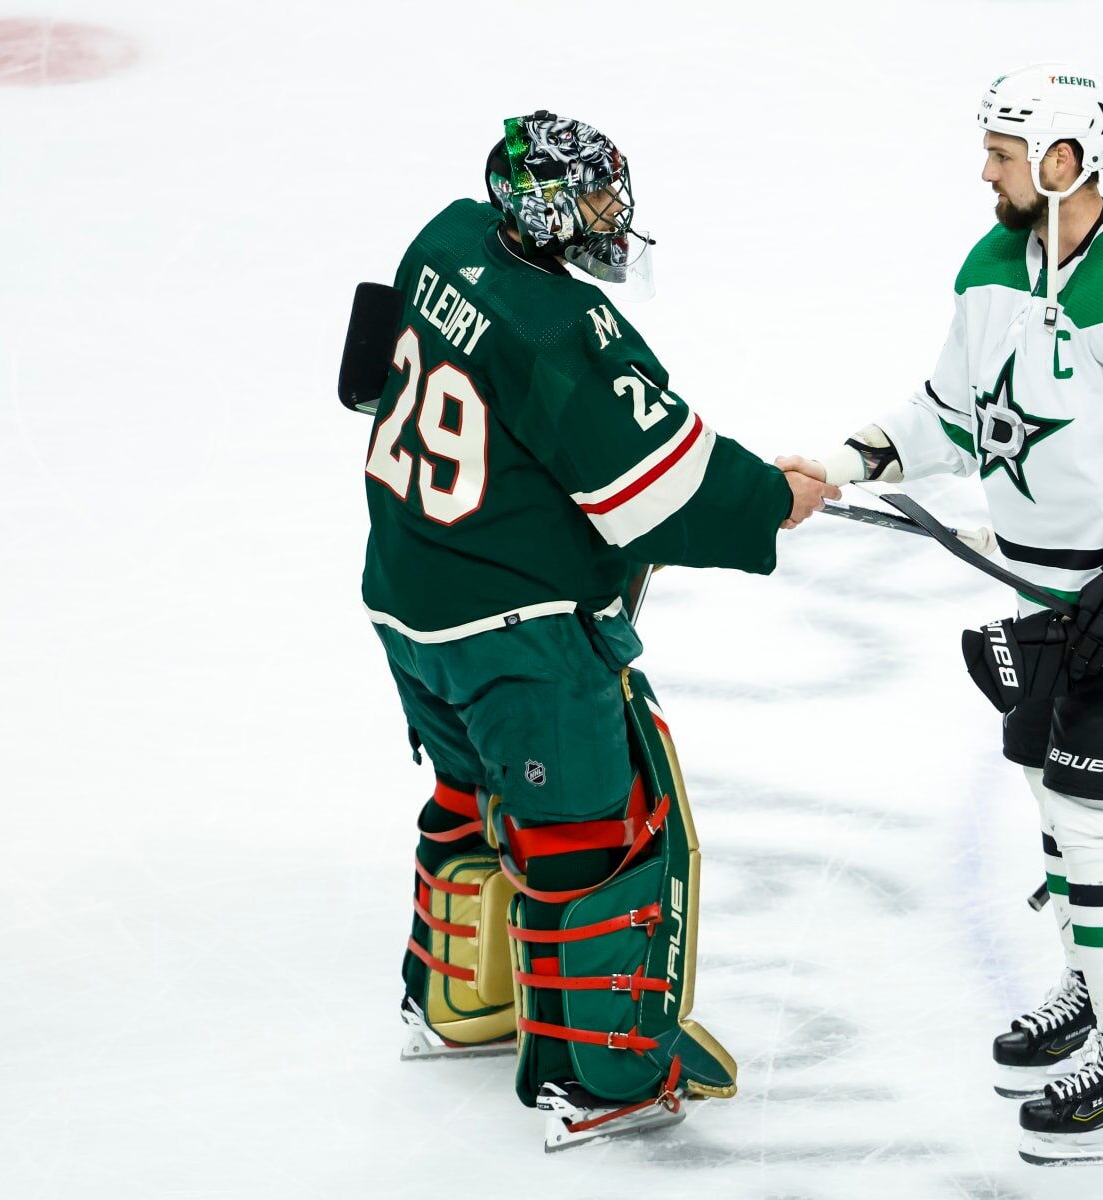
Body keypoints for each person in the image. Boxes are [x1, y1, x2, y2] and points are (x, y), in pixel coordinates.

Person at [779, 64, 1103, 1165]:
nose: (983, 170)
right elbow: (952, 413)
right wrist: (851, 463)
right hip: (1047, 591)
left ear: (1065, 161)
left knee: (1096, 823)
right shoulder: (994, 264)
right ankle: (1095, 988)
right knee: (1055, 800)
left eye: (1002, 152)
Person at [354, 109, 837, 1150]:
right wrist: (771, 499)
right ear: (542, 205)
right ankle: (603, 1078)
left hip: (405, 597)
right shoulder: (563, 331)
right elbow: (656, 493)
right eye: (594, 197)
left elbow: (366, 369)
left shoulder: (442, 236)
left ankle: (456, 1005)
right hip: (515, 634)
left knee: (468, 789)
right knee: (599, 831)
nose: (612, 216)